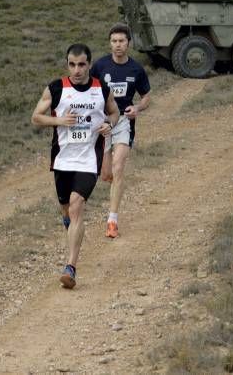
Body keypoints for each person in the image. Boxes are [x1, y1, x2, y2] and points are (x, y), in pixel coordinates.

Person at [31, 43, 119, 289]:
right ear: (67, 64)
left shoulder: (101, 89)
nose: (77, 69)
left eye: (81, 64)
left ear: (89, 64)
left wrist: (109, 125)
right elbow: (35, 117)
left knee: (77, 205)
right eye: (72, 64)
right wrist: (59, 120)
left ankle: (70, 267)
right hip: (62, 159)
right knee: (66, 209)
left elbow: (114, 112)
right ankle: (72, 230)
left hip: (89, 159)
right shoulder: (57, 88)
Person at [90, 23, 151, 238]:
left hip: (124, 121)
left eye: (122, 41)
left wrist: (138, 107)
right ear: (110, 43)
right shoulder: (99, 67)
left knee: (118, 168)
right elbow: (89, 89)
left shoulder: (136, 69)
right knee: (106, 173)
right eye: (114, 41)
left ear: (128, 43)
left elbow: (146, 96)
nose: (118, 45)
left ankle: (112, 220)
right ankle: (110, 180)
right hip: (104, 123)